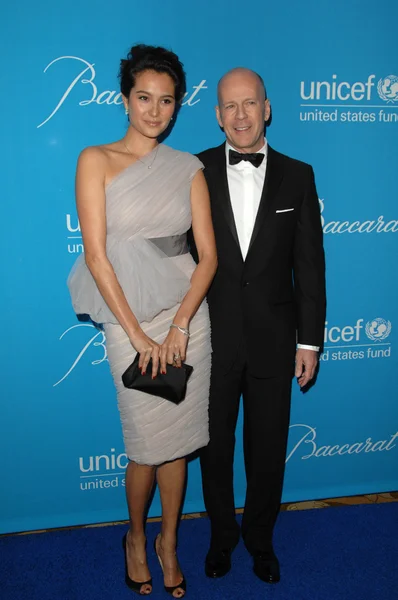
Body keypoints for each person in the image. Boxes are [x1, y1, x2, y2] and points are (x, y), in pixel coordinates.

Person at [67, 44, 217, 598]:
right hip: (126, 316)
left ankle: (169, 542)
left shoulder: (188, 168)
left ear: (178, 106)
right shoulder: (95, 160)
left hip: (186, 319)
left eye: (167, 101)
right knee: (146, 444)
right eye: (144, 98)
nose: (155, 111)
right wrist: (137, 335)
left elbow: (209, 255)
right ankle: (135, 537)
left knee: (179, 443)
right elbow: (98, 255)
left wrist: (179, 325)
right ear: (125, 99)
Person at [192, 68, 326, 584]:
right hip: (211, 338)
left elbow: (309, 265)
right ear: (217, 114)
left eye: (250, 104)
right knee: (215, 450)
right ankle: (222, 538)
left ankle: (261, 540)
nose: (241, 115)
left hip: (276, 340)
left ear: (266, 109)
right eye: (230, 105)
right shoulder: (195, 169)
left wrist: (309, 340)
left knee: (268, 450)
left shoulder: (299, 174)